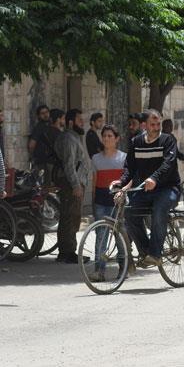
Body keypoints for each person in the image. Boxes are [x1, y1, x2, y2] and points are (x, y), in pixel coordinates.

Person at [112, 109, 182, 268]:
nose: (157, 127)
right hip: (146, 190)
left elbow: (168, 163)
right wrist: (121, 183)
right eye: (153, 124)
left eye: (158, 124)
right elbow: (130, 167)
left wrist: (154, 178)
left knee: (159, 209)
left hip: (169, 189)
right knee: (130, 213)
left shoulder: (167, 140)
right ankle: (145, 252)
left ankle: (155, 254)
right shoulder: (136, 142)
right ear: (144, 125)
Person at [53, 109, 93, 264]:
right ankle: (67, 252)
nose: (82, 123)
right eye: (79, 120)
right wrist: (76, 185)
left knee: (72, 216)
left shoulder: (74, 137)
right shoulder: (68, 138)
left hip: (76, 183)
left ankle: (67, 251)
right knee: (69, 217)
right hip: (71, 184)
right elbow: (69, 165)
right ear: (71, 122)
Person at [90, 125, 127, 277]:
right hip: (101, 201)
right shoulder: (96, 158)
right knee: (101, 236)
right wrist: (93, 201)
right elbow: (94, 181)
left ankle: (123, 268)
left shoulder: (123, 158)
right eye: (104, 136)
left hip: (118, 202)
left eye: (110, 136)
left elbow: (127, 180)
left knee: (120, 236)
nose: (106, 138)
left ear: (117, 139)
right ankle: (99, 271)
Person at [33, 109, 65, 185]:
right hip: (52, 164)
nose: (64, 121)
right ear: (58, 119)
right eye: (63, 118)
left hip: (47, 164)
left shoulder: (47, 130)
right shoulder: (57, 134)